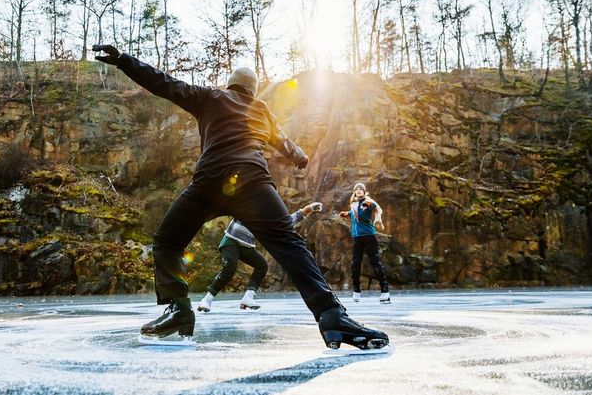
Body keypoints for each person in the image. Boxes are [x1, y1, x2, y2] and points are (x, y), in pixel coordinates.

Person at [93, 44, 389, 350]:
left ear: (230, 84)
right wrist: (300, 157)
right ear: (253, 91)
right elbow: (285, 143)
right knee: (290, 245)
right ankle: (331, 316)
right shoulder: (263, 111)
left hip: (209, 182)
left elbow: (165, 84)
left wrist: (124, 61)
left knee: (167, 242)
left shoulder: (210, 97)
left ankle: (179, 309)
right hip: (253, 184)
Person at [198, 201, 323, 312]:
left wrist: (308, 209)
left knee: (261, 265)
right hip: (231, 240)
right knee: (230, 267)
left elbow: (285, 223)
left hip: (247, 246)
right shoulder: (247, 203)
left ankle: (248, 297)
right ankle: (207, 299)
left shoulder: (268, 217)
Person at [338, 182, 391, 304]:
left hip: (369, 236)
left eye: (361, 189)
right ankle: (356, 290)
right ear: (354, 192)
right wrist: (346, 214)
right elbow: (355, 213)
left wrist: (370, 206)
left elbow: (375, 207)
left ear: (364, 191)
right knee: (355, 264)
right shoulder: (354, 205)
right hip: (357, 238)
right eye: (357, 189)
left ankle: (385, 291)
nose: (359, 190)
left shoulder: (367, 202)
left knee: (375, 263)